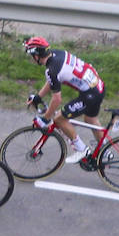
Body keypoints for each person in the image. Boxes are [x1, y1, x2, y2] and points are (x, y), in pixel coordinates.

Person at [23, 36, 106, 169]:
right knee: (90, 119)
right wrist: (38, 97)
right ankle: (105, 151)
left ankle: (81, 150)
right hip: (98, 86)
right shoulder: (57, 53)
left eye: (31, 56)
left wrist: (45, 119)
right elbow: (52, 81)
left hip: (90, 94)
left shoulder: (51, 70)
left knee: (59, 119)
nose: (31, 59)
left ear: (37, 55)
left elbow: (57, 99)